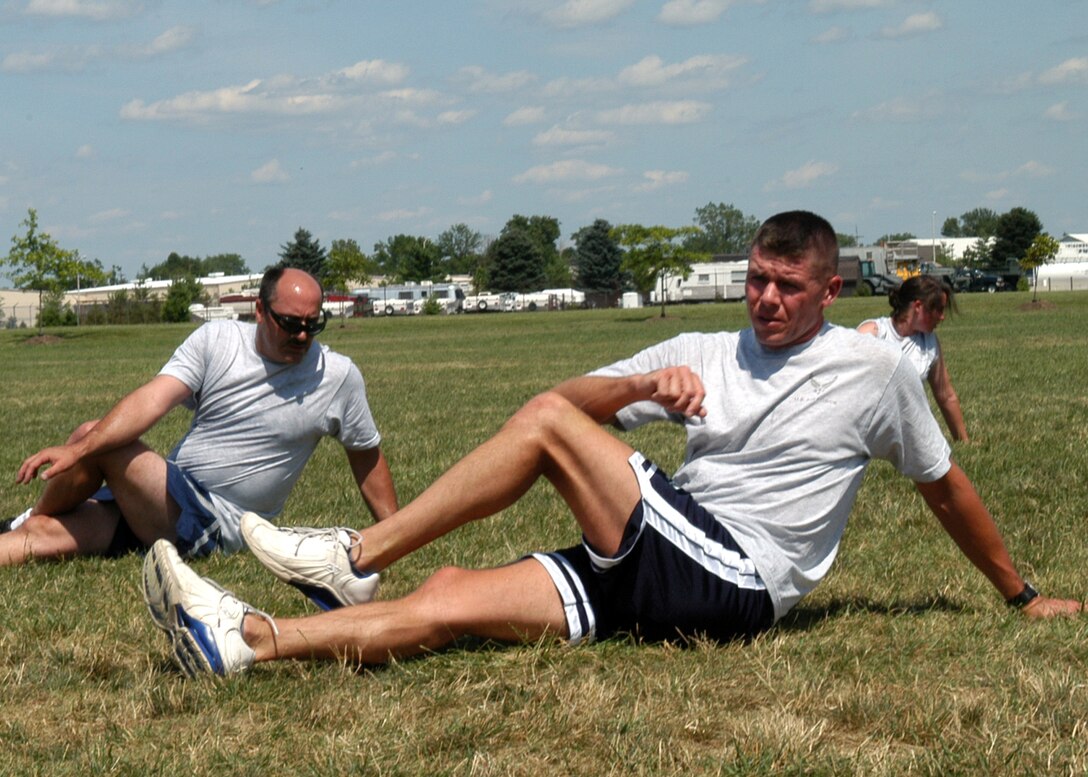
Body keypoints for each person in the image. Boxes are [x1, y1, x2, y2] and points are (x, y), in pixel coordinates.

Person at [141, 211, 1080, 678]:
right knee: (453, 596)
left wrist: (1021, 594)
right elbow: (560, 398)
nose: (765, 299)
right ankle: (249, 642)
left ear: (831, 293)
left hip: (737, 579)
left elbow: (944, 485)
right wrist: (640, 386)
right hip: (665, 549)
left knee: (553, 433)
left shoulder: (874, 371)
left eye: (789, 286)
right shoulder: (706, 346)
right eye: (757, 278)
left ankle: (354, 554)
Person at [5, 267, 397, 568]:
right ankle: (27, 523)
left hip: (222, 523)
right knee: (43, 536)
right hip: (165, 502)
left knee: (94, 438)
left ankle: (26, 515)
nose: (301, 336)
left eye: (313, 326)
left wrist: (397, 535)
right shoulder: (219, 340)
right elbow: (153, 398)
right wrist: (82, 448)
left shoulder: (337, 376)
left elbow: (367, 457)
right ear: (260, 310)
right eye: (291, 324)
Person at [857, 275, 969, 441]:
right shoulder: (872, 334)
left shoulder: (930, 342)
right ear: (918, 306)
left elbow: (945, 395)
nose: (942, 317)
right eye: (938, 309)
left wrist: (964, 441)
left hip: (908, 436)